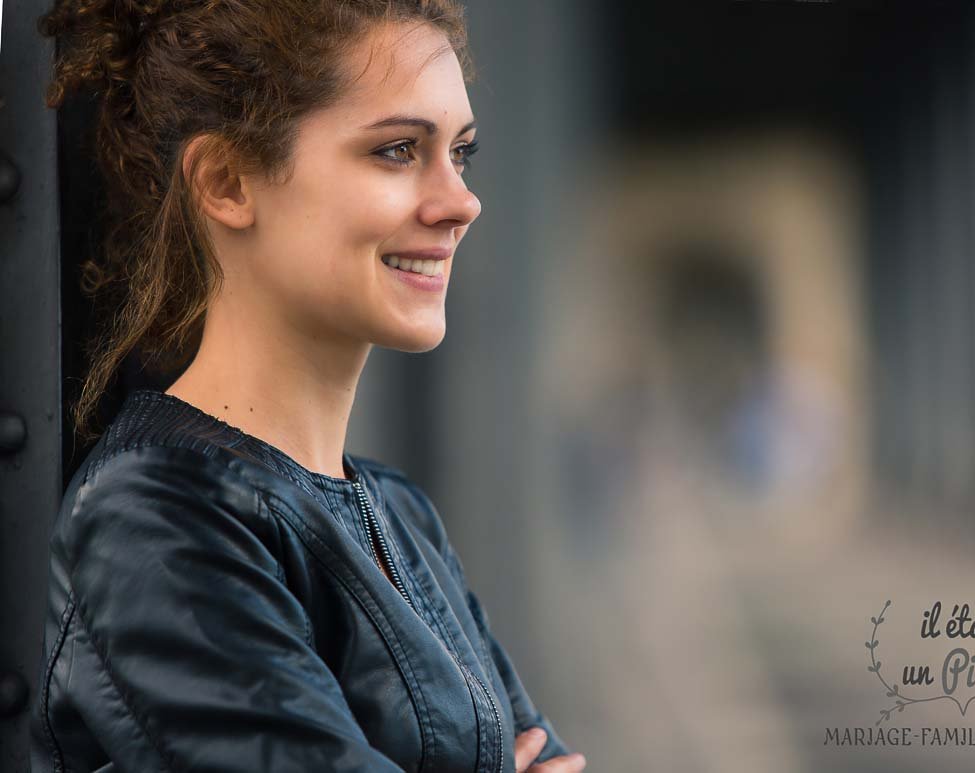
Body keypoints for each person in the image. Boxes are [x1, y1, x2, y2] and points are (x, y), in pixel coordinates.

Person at [29, 1, 586, 771]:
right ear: (226, 182)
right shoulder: (154, 518)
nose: (461, 201)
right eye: (397, 150)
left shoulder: (399, 512)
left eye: (461, 152)